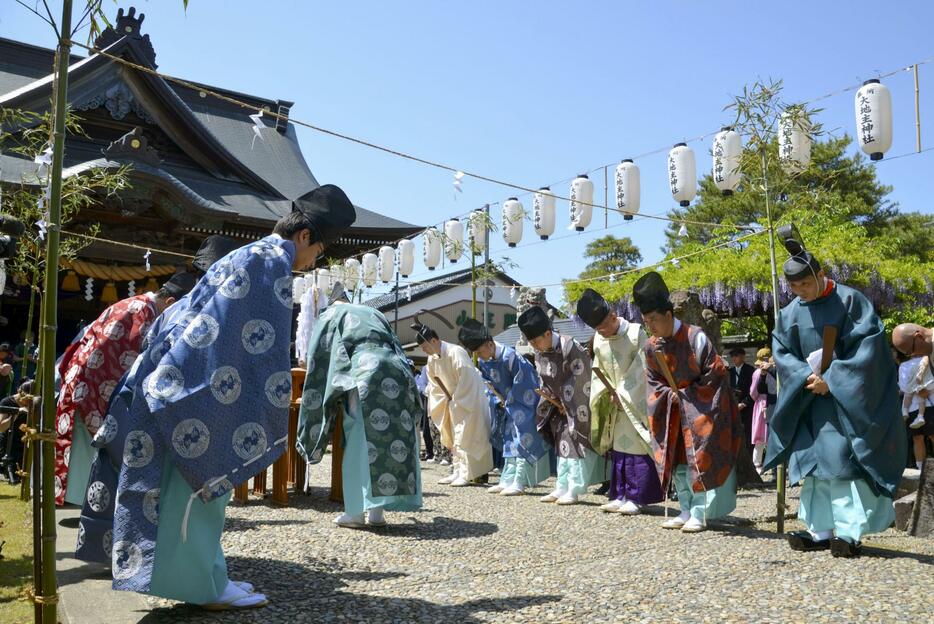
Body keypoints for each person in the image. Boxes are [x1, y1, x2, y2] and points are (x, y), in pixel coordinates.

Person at [75, 185, 355, 609]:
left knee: (193, 494)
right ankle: (202, 587)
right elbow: (252, 346)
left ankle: (210, 574)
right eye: (319, 251)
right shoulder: (268, 263)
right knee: (192, 490)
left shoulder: (255, 254)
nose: (314, 261)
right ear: (304, 237)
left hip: (172, 379)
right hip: (188, 388)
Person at [764, 226, 905, 557]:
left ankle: (849, 531)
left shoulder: (851, 301)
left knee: (840, 464)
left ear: (821, 274)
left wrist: (835, 380)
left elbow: (869, 350)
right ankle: (819, 530)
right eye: (794, 286)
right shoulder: (789, 313)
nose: (801, 291)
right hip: (809, 400)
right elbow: (782, 350)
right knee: (813, 468)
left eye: (806, 283)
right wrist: (804, 377)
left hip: (842, 404)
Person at [54, 272, 197, 506]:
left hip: (86, 384)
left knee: (89, 467)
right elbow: (135, 363)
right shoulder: (142, 313)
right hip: (93, 388)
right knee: (98, 465)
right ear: (171, 303)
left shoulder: (135, 305)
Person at [297, 283, 422, 528]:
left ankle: (355, 513)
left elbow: (318, 358)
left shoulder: (331, 315)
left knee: (359, 440)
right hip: (398, 372)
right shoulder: (374, 313)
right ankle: (377, 514)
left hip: (365, 373)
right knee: (386, 441)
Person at [634, 271, 740, 533]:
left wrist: (688, 396)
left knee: (698, 461)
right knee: (678, 462)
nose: (651, 327)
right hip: (672, 412)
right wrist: (667, 397)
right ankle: (684, 508)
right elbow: (653, 382)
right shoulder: (651, 347)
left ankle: (699, 511)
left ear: (670, 315)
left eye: (655, 320)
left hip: (701, 410)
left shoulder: (696, 338)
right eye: (646, 321)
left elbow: (715, 375)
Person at [575, 288, 664, 515]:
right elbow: (598, 371)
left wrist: (623, 393)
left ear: (614, 315)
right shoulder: (598, 340)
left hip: (636, 400)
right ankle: (620, 493)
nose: (602, 332)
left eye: (604, 326)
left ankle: (637, 496)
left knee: (636, 446)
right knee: (618, 448)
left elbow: (644, 367)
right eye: (598, 329)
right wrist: (605, 393)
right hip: (614, 401)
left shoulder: (635, 333)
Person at [518, 306, 607, 505]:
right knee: (561, 444)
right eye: (531, 342)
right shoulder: (539, 351)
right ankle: (561, 485)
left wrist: (566, 402)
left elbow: (581, 377)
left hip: (577, 404)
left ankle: (573, 489)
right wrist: (551, 400)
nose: (534, 346)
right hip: (558, 406)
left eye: (536, 341)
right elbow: (544, 379)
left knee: (574, 442)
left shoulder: (570, 346)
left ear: (548, 333)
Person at [458, 318, 550, 496]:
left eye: (479, 351)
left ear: (490, 345)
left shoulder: (511, 356)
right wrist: (497, 399)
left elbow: (526, 382)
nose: (479, 356)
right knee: (509, 441)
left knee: (523, 440)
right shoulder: (485, 362)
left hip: (523, 405)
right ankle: (507, 478)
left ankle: (520, 481)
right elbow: (488, 384)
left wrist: (511, 400)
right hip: (507, 406)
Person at [416, 314, 493, 487]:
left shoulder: (455, 352)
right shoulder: (432, 359)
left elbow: (467, 378)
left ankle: (469, 474)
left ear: (434, 340)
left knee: (467, 436)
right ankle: (458, 470)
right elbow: (434, 384)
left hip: (468, 400)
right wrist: (444, 401)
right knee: (453, 436)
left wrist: (457, 399)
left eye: (424, 346)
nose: (424, 350)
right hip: (451, 402)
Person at [897, 355, 934, 470]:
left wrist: (924, 390)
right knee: (917, 438)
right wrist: (916, 389)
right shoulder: (903, 365)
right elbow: (903, 387)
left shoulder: (929, 358)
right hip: (912, 408)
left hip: (931, 404)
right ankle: (920, 471)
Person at [749, 348, 776, 473]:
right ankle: (769, 465)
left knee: (760, 437)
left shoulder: (757, 373)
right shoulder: (774, 372)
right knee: (767, 436)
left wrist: (758, 399)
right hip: (771, 402)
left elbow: (753, 392)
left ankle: (758, 464)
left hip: (760, 403)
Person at [0, 379, 32, 484]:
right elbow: (1, 427)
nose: (28, 404)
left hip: (25, 445)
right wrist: (15, 415)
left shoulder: (35, 405)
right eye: (27, 400)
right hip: (8, 446)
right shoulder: (7, 402)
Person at [728, 347, 755, 457]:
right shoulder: (730, 372)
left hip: (747, 407)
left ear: (742, 356)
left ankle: (749, 456)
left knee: (748, 433)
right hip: (734, 407)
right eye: (732, 356)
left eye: (736, 355)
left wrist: (744, 403)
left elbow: (753, 390)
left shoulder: (750, 370)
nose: (734, 358)